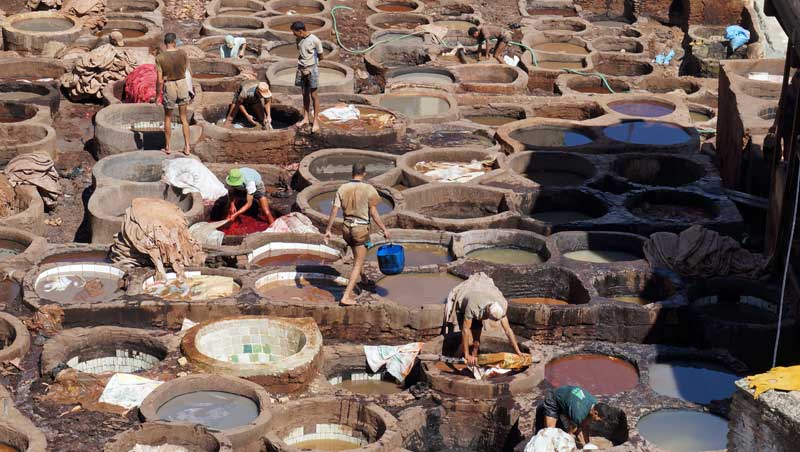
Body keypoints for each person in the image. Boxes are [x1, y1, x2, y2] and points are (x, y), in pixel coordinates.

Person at [323, 163, 390, 306]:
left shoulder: (342, 188)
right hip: (360, 229)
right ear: (364, 173)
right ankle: (345, 296)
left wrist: (328, 230)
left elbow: (334, 210)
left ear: (352, 173)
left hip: (346, 228)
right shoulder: (368, 189)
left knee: (358, 253)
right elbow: (373, 212)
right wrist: (384, 229)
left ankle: (364, 279)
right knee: (358, 262)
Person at [444, 273, 522, 366]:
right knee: (469, 342)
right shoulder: (473, 307)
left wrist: (518, 352)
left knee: (476, 343)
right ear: (488, 312)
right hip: (463, 309)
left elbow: (508, 331)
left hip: (480, 311)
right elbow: (466, 330)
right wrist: (467, 355)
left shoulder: (499, 307)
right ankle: (456, 359)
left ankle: (473, 362)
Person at [155, 32, 192, 155]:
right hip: (182, 84)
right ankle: (187, 147)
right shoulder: (183, 53)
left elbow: (160, 81)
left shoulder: (160, 57)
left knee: (168, 118)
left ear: (165, 44)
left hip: (169, 85)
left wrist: (157, 96)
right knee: (183, 118)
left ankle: (168, 147)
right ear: (174, 42)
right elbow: (186, 70)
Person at [543, 385, 614, 447]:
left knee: (578, 426)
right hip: (553, 398)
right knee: (550, 433)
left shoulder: (595, 403)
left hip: (567, 396)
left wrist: (588, 445)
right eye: (599, 419)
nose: (599, 421)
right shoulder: (578, 414)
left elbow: (585, 427)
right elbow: (572, 432)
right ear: (595, 413)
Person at [291, 21, 324, 133]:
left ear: (300, 31)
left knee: (314, 95)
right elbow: (301, 52)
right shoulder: (298, 39)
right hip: (301, 67)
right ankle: (305, 118)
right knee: (304, 93)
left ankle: (315, 121)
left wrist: (312, 64)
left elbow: (321, 55)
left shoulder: (315, 40)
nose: (293, 34)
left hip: (311, 69)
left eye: (294, 32)